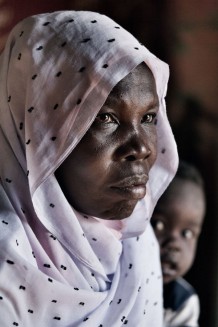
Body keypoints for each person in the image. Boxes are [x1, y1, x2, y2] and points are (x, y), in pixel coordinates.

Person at [0, 11, 178, 327]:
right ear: (37, 132)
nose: (142, 148)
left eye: (148, 118)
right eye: (106, 118)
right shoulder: (7, 261)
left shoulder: (136, 242)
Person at [151, 161, 206, 327]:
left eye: (187, 233)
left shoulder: (182, 301)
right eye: (158, 225)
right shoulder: (109, 280)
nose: (174, 244)